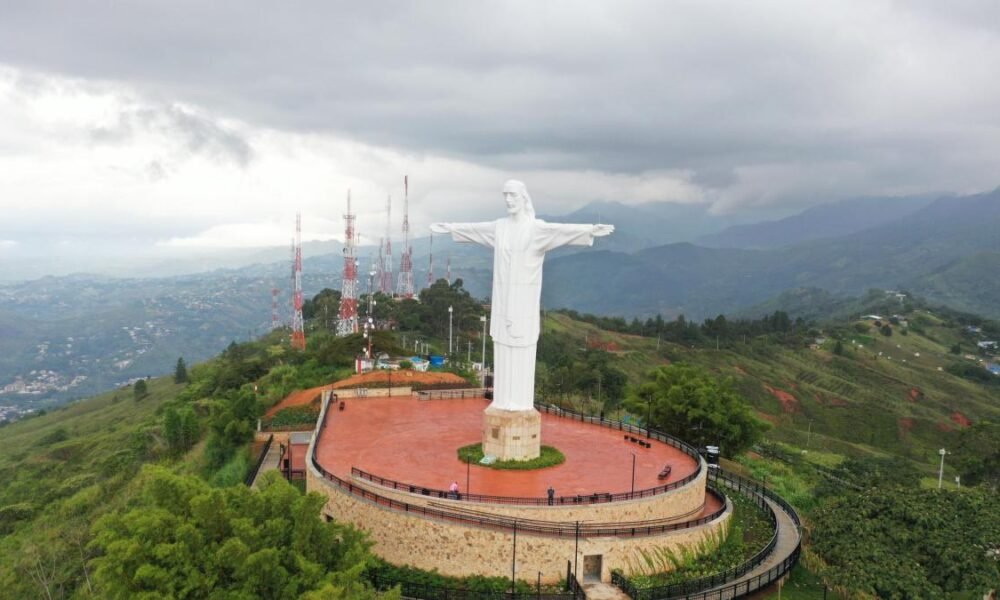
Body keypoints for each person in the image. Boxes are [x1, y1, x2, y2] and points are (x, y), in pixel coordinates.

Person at [431, 181, 613, 413]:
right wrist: (450, 228)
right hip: (503, 303)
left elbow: (562, 231)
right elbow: (475, 229)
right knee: (503, 348)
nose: (508, 200)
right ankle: (502, 401)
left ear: (524, 198)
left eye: (513, 195)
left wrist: (588, 230)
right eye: (505, 195)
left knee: (523, 350)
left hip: (524, 304)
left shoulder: (536, 229)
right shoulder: (499, 228)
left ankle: (521, 404)